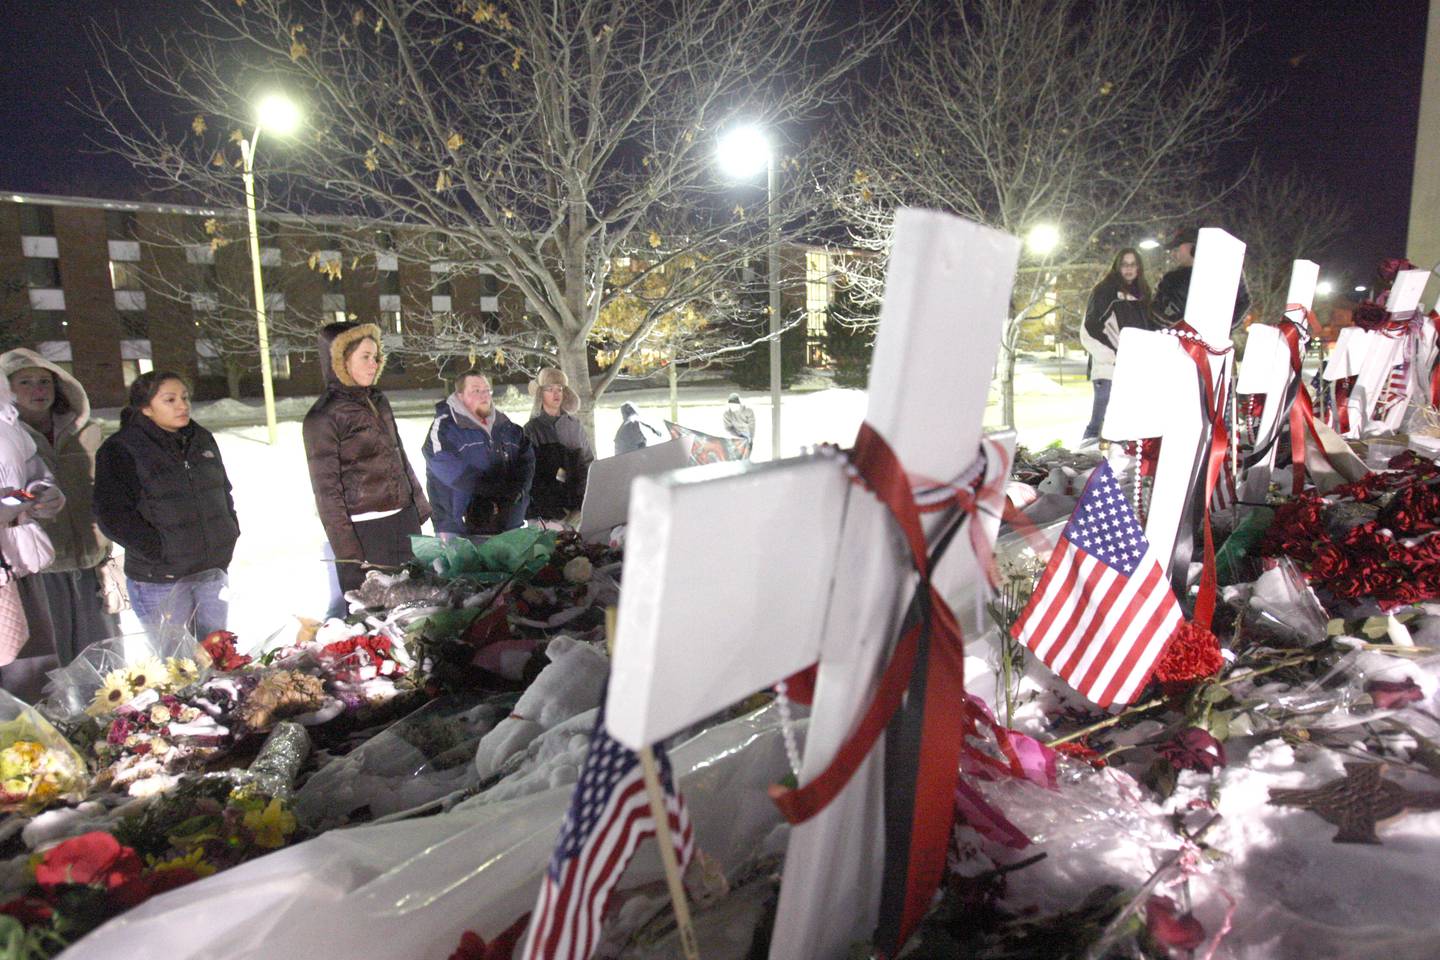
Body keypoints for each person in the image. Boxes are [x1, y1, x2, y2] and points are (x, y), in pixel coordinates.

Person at [93, 371, 239, 641]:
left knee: (218, 657)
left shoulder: (201, 438)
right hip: (161, 579)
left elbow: (222, 490)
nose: (182, 406)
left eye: (184, 398)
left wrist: (229, 530)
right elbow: (112, 515)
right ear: (145, 407)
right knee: (177, 668)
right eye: (169, 400)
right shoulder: (121, 449)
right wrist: (160, 550)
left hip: (211, 571)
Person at [1, 349, 119, 666]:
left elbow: (104, 490)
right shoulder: (7, 437)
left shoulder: (88, 431)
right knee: (52, 667)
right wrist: (24, 501)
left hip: (89, 560)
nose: (38, 389)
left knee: (105, 662)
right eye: (25, 382)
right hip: (36, 569)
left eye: (44, 381)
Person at [303, 322, 430, 602]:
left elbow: (399, 456)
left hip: (403, 520)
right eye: (365, 356)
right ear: (341, 361)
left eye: (376, 356)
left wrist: (417, 506)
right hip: (366, 532)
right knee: (374, 616)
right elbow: (327, 493)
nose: (374, 364)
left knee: (415, 607)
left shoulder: (378, 400)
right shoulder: (323, 417)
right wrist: (349, 554)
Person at [0, 372, 64, 699]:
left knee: (35, 673)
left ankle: (38, 745)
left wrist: (44, 493)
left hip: (19, 563)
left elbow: (35, 475)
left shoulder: (9, 422)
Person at [422, 369, 534, 537]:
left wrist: (515, 492)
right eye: (476, 390)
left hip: (508, 523)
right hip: (459, 528)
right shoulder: (445, 428)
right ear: (459, 395)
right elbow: (444, 465)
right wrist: (493, 492)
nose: (484, 395)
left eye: (487, 390)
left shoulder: (507, 427)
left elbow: (527, 460)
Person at [1078, 249, 1151, 447]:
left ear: (1139, 268)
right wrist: (1113, 357)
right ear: (1117, 267)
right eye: (1124, 264)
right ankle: (1087, 462)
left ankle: (1120, 467)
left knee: (1126, 425)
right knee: (1100, 422)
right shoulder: (1105, 292)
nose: (1128, 269)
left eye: (1133, 264)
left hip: (1133, 370)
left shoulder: (1143, 296)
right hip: (1109, 370)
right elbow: (1089, 329)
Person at [523, 368, 594, 522]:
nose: (556, 394)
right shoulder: (532, 429)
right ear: (541, 393)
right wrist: (557, 512)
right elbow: (532, 477)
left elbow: (587, 464)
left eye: (559, 389)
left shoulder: (574, 425)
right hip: (545, 515)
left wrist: (582, 504)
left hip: (576, 510)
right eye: (550, 389)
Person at [1153, 226, 1250, 330]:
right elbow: (1157, 310)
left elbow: (1243, 302)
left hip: (1211, 342)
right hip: (1180, 339)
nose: (1174, 253)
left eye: (1178, 247)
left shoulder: (1227, 273)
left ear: (1193, 246)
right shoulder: (1171, 279)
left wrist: (1218, 329)